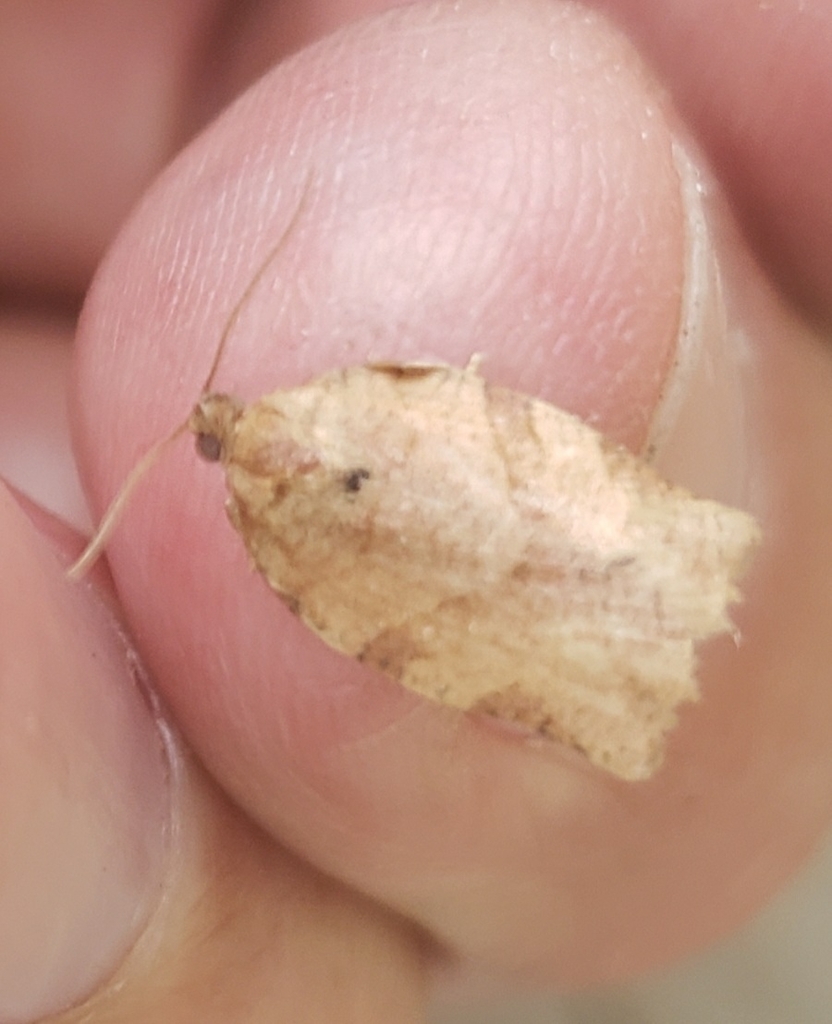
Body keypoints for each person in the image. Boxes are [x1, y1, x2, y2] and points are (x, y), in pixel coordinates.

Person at [2, 2, 832, 1020]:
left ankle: (641, 602)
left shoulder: (275, 524)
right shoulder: (304, 454)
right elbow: (432, 412)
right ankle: (641, 604)